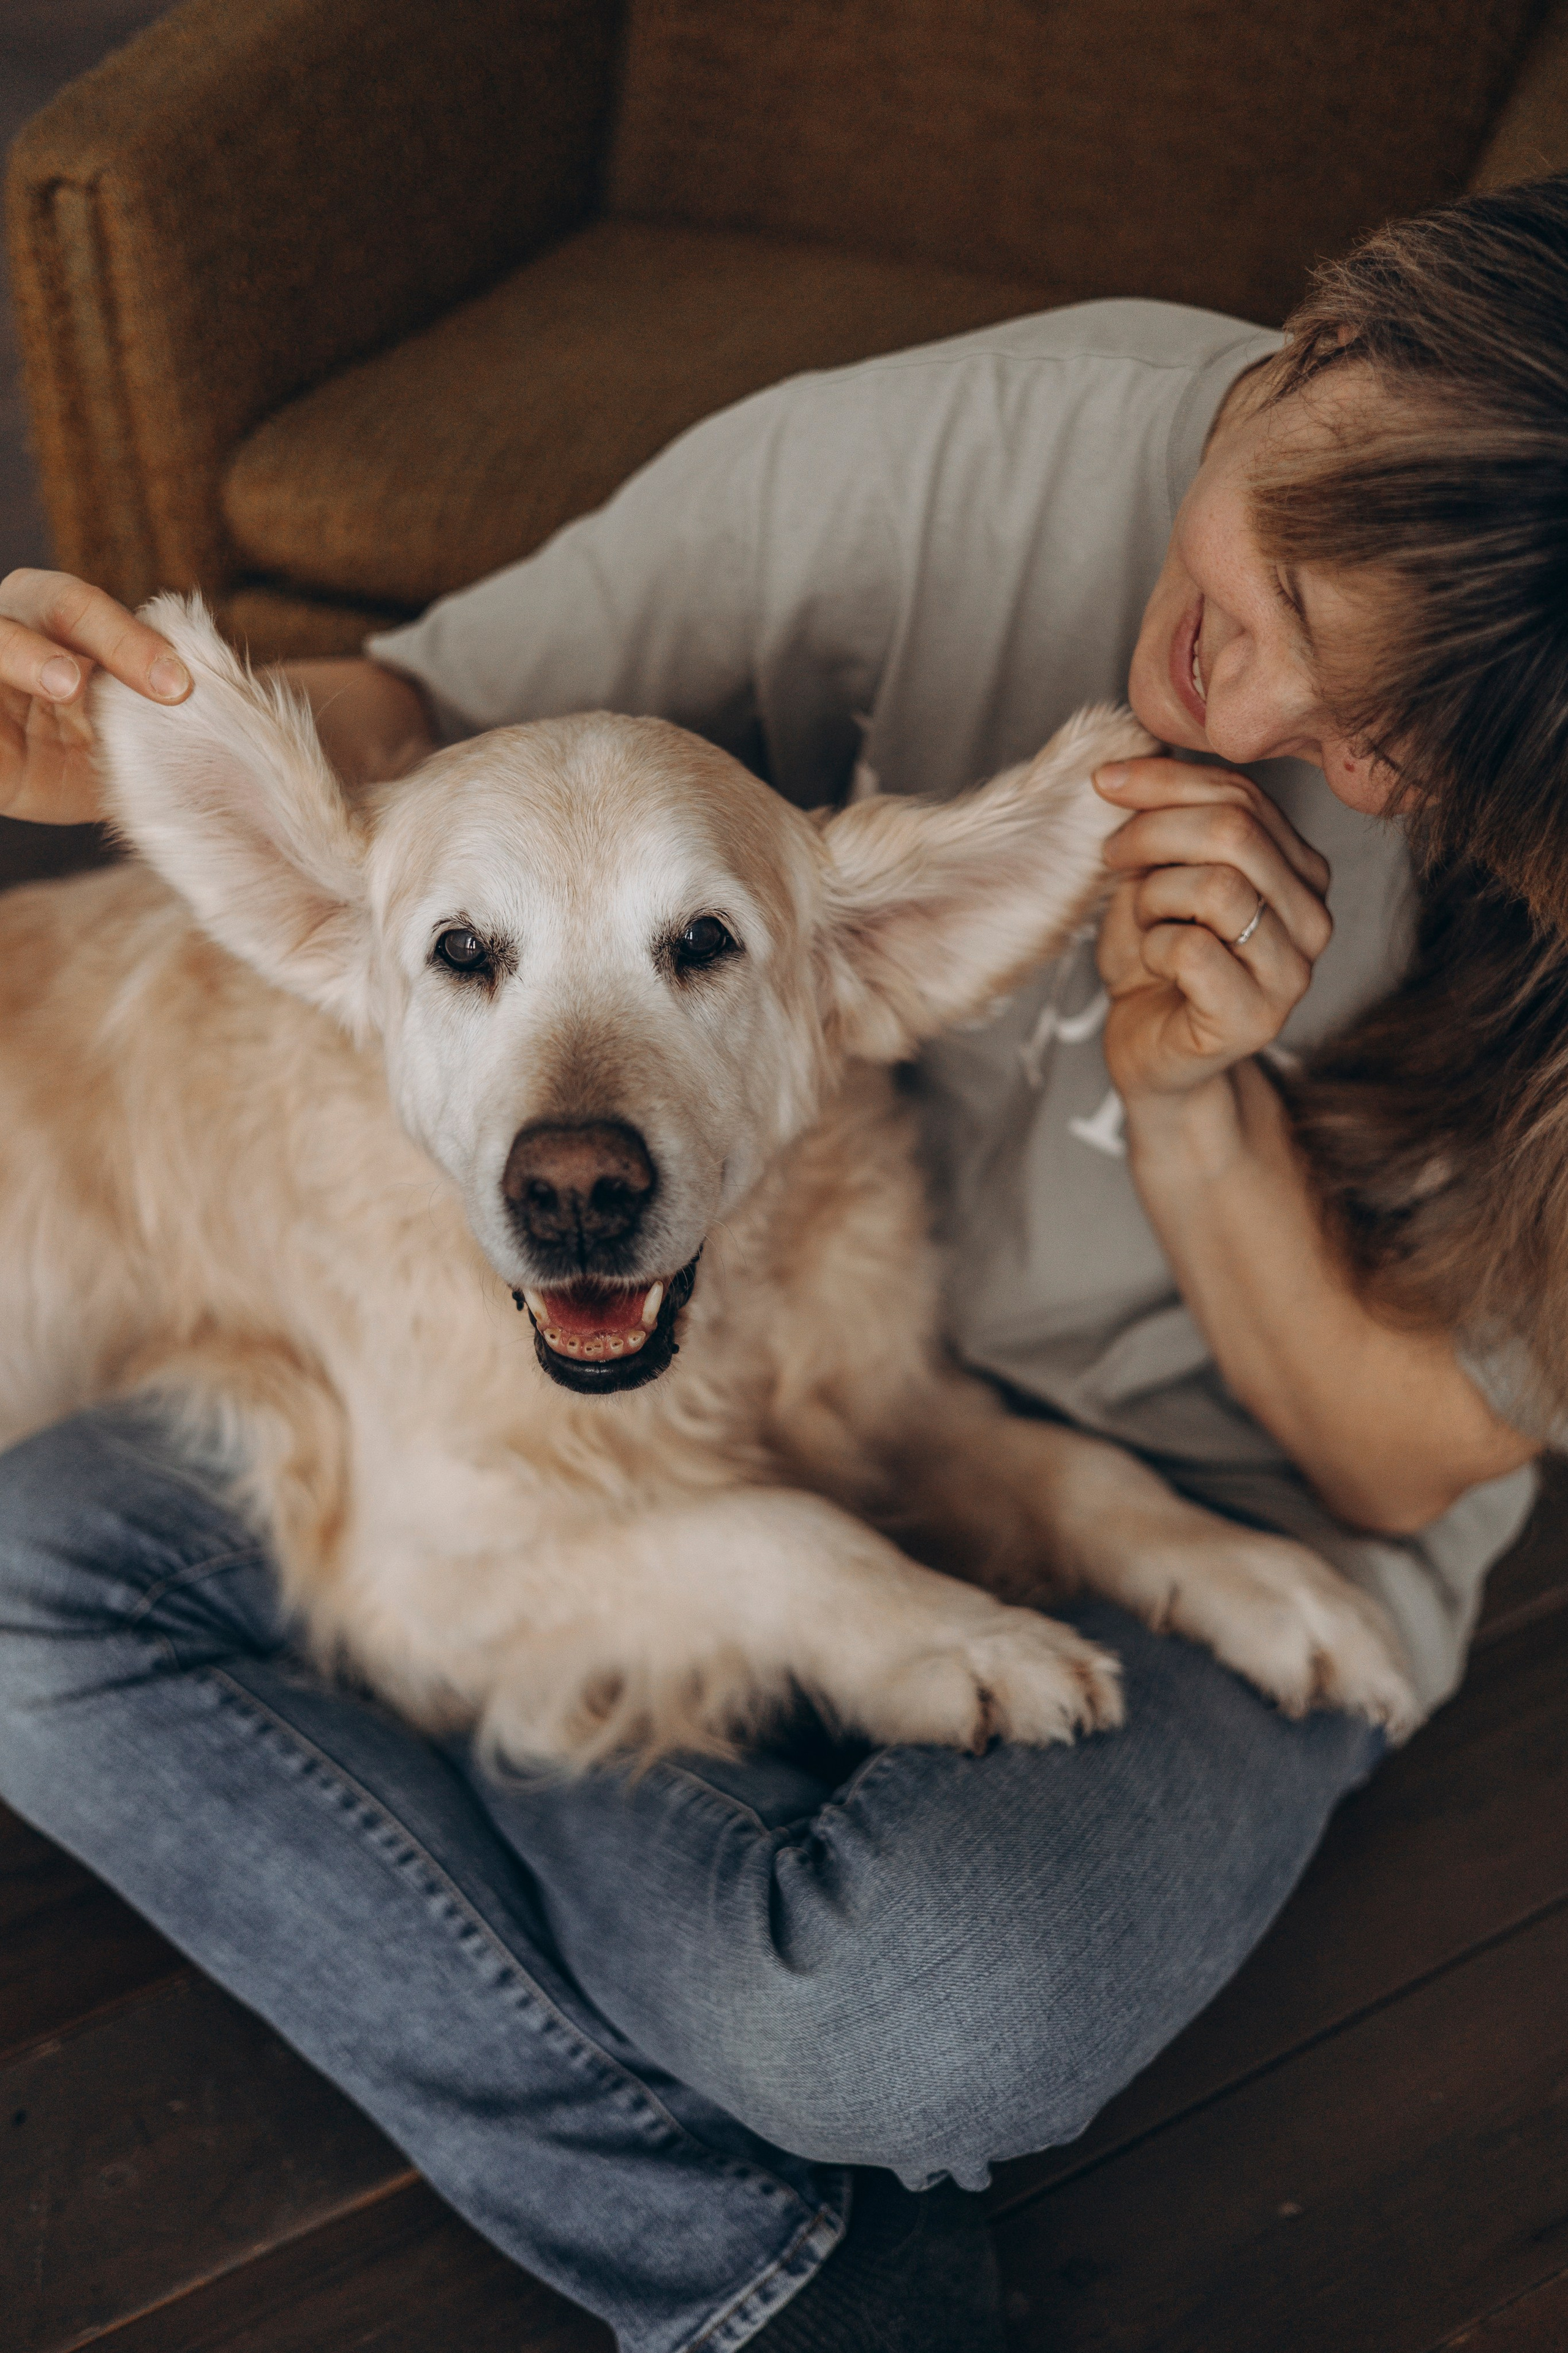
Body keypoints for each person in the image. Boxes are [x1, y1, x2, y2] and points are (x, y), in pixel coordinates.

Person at [0, 178, 1563, 2352]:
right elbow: (447, 724)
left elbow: (1404, 1462)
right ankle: (764, 2254)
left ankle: (455, 1692)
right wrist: (107, 750)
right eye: (1278, 572)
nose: (1252, 691)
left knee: (910, 2019)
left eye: (1393, 737)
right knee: (19, 1575)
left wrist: (1201, 1097)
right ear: (1307, 345)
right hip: (718, 1408)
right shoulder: (974, 445)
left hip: (1232, 1486)